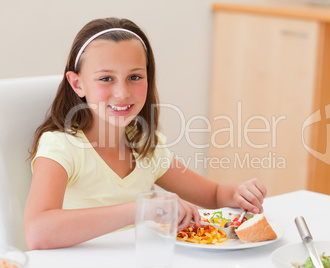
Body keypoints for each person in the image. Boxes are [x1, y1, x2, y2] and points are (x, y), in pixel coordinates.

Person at [24, 17, 267, 250]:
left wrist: (238, 193)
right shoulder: (61, 146)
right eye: (106, 78)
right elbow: (37, 232)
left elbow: (213, 195)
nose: (122, 92)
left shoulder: (144, 145)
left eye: (135, 77)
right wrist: (141, 209)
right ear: (77, 84)